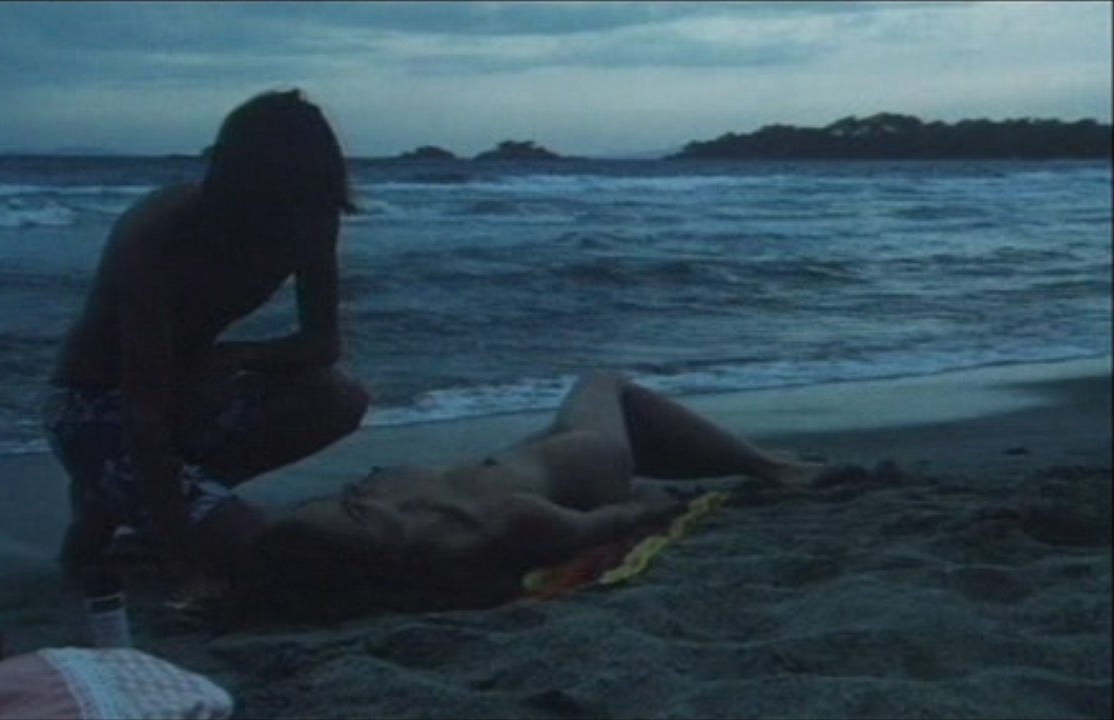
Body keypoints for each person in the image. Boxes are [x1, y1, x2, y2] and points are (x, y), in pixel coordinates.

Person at [177, 371, 826, 623]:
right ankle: (770, 467)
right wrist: (657, 504)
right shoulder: (490, 528)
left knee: (624, 426)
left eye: (350, 500)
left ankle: (759, 462)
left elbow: (275, 549)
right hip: (582, 464)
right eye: (355, 512)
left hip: (519, 459)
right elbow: (616, 519)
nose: (361, 498)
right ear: (373, 555)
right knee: (607, 386)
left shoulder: (378, 527)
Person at [43, 89, 370, 581]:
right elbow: (143, 414)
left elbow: (322, 344)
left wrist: (234, 357)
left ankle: (136, 500)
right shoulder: (163, 234)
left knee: (336, 398)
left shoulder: (310, 217)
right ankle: (118, 503)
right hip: (95, 403)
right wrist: (185, 566)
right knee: (251, 548)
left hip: (189, 387)